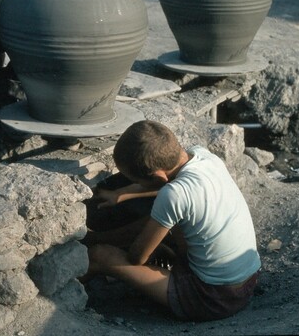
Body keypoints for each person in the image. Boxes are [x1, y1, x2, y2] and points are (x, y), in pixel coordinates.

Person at [84, 120, 261, 322]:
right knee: (164, 220)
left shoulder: (174, 195)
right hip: (249, 280)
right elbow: (166, 185)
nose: (135, 185)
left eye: (136, 181)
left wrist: (114, 242)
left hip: (212, 297)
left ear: (157, 176)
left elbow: (136, 258)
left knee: (99, 255)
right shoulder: (203, 156)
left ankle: (68, 297)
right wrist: (120, 194)